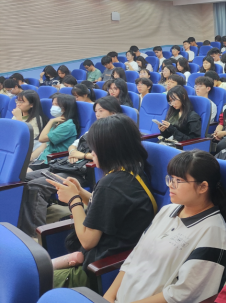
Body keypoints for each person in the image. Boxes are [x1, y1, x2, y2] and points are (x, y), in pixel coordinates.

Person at [105, 150, 226, 303]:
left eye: (178, 181)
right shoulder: (167, 211)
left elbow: (180, 296)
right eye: (170, 178)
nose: (170, 185)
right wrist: (108, 300)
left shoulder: (214, 232)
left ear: (203, 187)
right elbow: (134, 258)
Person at [45, 114, 156, 289]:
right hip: (107, 259)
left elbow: (87, 241)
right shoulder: (133, 171)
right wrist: (80, 192)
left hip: (98, 270)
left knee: (30, 281)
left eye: (94, 149)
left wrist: (73, 200)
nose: (91, 154)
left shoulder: (111, 184)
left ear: (109, 150)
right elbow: (106, 208)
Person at [18, 97, 122, 238]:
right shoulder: (94, 128)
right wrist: (73, 152)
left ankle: (34, 234)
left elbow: (106, 156)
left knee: (36, 186)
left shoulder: (115, 132)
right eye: (96, 111)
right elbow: (73, 144)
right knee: (23, 178)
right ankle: (21, 222)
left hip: (82, 172)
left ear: (113, 113)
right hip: (68, 165)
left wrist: (82, 155)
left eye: (101, 111)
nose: (97, 114)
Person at [29, 93, 80, 171]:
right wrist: (30, 158)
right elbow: (44, 145)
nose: (53, 107)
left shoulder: (67, 125)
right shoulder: (58, 121)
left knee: (22, 174)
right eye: (53, 104)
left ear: (65, 107)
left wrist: (50, 122)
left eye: (57, 104)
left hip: (54, 161)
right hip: (43, 158)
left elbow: (42, 139)